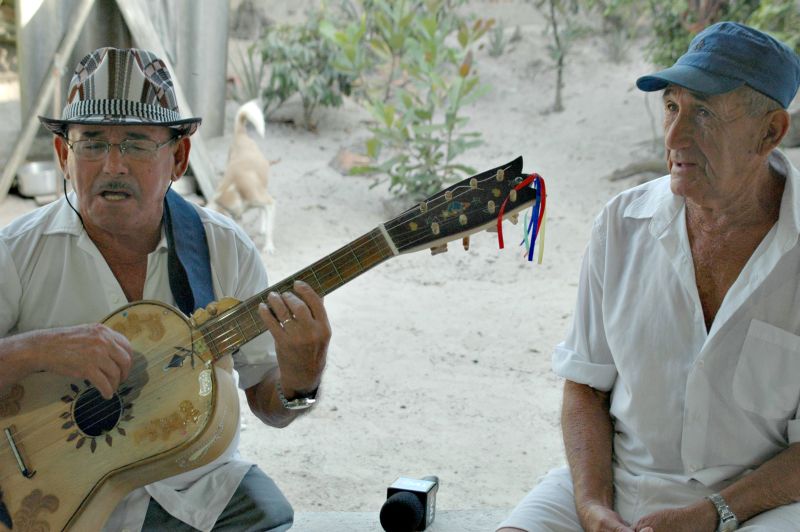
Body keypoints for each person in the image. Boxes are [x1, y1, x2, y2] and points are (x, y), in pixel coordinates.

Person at [0, 47, 330, 531]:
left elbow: (269, 402)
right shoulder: (16, 253)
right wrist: (40, 349)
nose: (112, 165)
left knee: (270, 515)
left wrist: (301, 382)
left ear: (178, 157)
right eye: (91, 143)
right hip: (52, 491)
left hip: (193, 491)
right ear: (63, 155)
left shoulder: (224, 251)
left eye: (135, 143)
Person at [497, 21, 800, 532]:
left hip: (758, 504)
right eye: (672, 107)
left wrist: (714, 514)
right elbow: (586, 388)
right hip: (619, 481)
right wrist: (593, 507)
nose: (674, 136)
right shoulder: (622, 224)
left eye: (703, 113)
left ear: (769, 132)